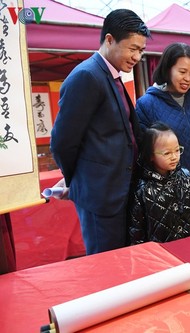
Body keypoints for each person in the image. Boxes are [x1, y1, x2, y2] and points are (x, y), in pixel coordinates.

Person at [50, 9, 151, 255]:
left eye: (141, 50)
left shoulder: (112, 75)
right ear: (109, 40)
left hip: (119, 189)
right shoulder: (87, 76)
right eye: (132, 49)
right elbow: (62, 142)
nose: (137, 57)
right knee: (105, 264)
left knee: (122, 260)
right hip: (101, 196)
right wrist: (79, 180)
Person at [135, 42, 190, 216]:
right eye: (182, 72)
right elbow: (144, 155)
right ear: (168, 69)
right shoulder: (146, 104)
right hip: (170, 191)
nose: (188, 79)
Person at [128, 122, 190, 244]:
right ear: (150, 155)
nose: (174, 157)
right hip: (163, 254)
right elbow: (137, 231)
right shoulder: (142, 189)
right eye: (167, 153)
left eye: (177, 150)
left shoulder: (188, 177)